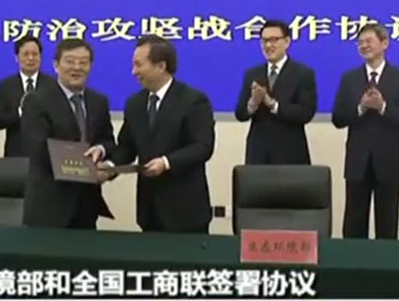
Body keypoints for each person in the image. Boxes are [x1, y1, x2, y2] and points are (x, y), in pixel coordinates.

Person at [102, 36, 215, 233]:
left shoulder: (193, 100)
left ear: (161, 66)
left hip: (186, 210)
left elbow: (202, 146)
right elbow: (127, 147)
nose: (134, 71)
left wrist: (166, 162)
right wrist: (111, 166)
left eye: (139, 65)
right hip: (149, 210)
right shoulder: (134, 103)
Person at [331, 22, 399, 239]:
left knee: (387, 226)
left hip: (389, 162)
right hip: (357, 162)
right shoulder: (349, 78)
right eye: (360, 42)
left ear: (384, 43)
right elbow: (338, 119)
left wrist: (382, 107)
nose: (364, 46)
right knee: (353, 225)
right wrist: (361, 108)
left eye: (368, 41)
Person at [21, 38, 115, 229]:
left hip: (87, 203)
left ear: (90, 66)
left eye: (83, 62)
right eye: (70, 61)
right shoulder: (36, 101)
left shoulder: (99, 101)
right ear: (56, 65)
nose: (77, 68)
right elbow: (40, 149)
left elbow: (108, 140)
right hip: (49, 204)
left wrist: (101, 150)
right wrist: (87, 171)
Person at [235, 19, 317, 164]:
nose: (268, 45)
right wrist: (253, 103)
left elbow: (306, 112)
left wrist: (273, 104)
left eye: (274, 40)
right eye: (264, 41)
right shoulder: (252, 74)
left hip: (290, 153)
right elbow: (240, 114)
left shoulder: (303, 74)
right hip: (258, 154)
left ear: (287, 42)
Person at [0, 37, 56, 157]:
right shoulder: (6, 85)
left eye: (35, 54)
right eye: (26, 54)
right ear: (16, 57)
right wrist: (21, 112)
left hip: (46, 153)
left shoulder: (52, 84)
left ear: (41, 57)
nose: (30, 58)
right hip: (16, 152)